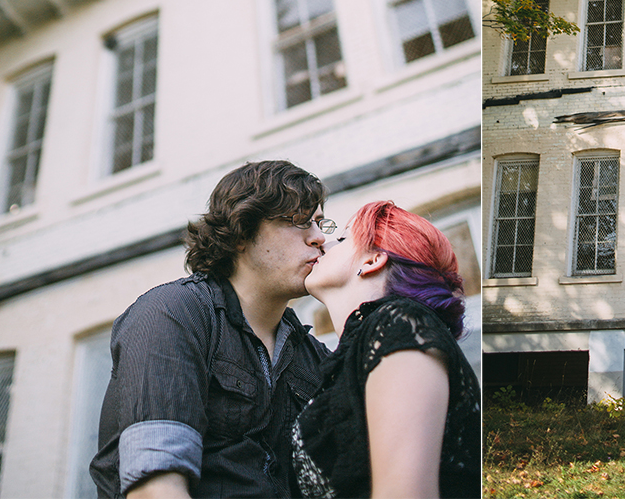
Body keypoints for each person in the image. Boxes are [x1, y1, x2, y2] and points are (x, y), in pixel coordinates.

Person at [91, 160, 336, 499]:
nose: (320, 237)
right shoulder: (174, 312)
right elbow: (156, 489)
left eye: (321, 223)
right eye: (299, 221)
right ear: (241, 233)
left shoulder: (310, 352)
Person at [291, 200, 481, 499]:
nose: (324, 243)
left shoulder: (401, 325)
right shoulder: (358, 348)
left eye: (342, 239)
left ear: (372, 261)